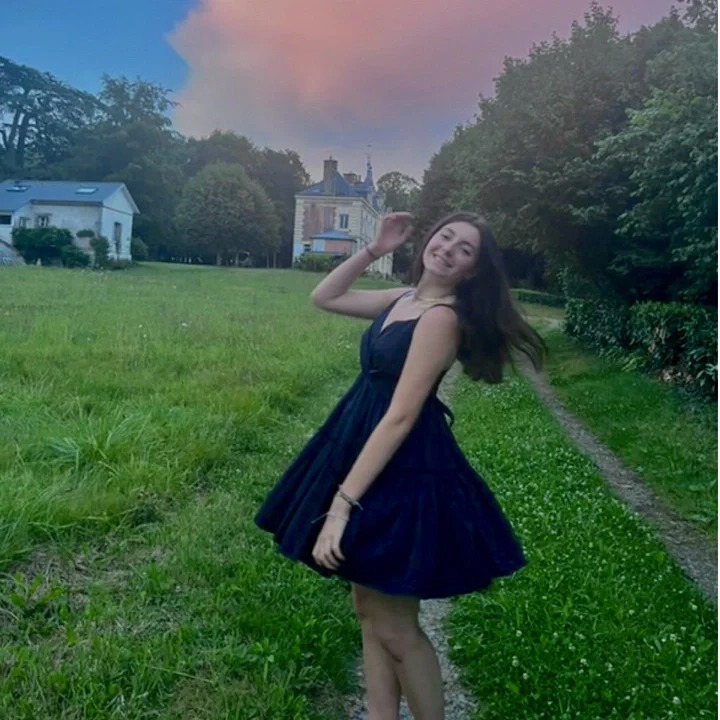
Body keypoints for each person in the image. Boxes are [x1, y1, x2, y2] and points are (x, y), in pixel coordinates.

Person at [255, 211, 545, 720]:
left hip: (403, 466)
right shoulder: (404, 299)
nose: (448, 249)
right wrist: (374, 248)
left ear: (474, 270)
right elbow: (324, 296)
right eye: (445, 236)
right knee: (367, 608)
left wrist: (342, 505)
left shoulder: (441, 319)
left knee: (396, 625)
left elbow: (402, 415)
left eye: (464, 250)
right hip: (363, 443)